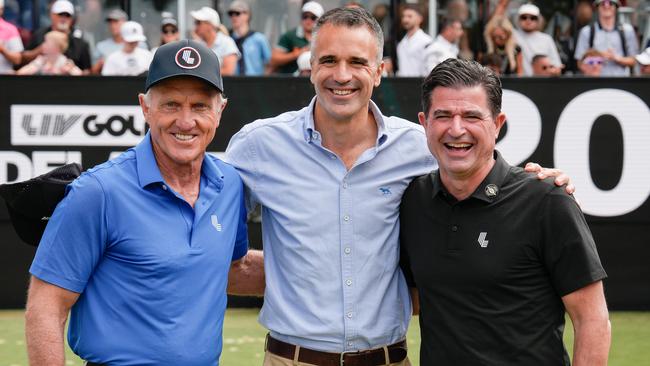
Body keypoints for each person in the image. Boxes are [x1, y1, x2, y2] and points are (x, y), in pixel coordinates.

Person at [226, 7, 571, 366]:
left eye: (357, 62)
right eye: (328, 60)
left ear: (379, 72)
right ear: (311, 66)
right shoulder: (258, 145)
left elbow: (488, 178)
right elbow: (205, 226)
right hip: (290, 359)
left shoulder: (418, 147)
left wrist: (540, 181)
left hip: (388, 358)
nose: (341, 75)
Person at [24, 39, 264, 365]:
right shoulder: (98, 192)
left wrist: (328, 274)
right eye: (170, 105)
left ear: (220, 111)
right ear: (145, 107)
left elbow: (232, 268)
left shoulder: (230, 185)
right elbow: (46, 304)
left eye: (200, 106)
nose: (185, 120)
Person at [400, 58, 611, 365]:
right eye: (443, 115)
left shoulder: (546, 201)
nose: (456, 129)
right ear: (424, 122)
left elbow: (592, 320)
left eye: (472, 116)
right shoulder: (413, 201)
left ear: (497, 125)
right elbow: (416, 300)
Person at [21, 0, 91, 72]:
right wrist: (38, 51)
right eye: (60, 14)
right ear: (52, 15)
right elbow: (22, 59)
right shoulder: (40, 35)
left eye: (67, 15)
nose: (63, 18)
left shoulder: (80, 41)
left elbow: (86, 70)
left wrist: (73, 71)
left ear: (72, 18)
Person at [574, 0, 639, 76]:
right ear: (597, 7)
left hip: (621, 81)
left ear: (616, 7)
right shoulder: (586, 32)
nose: (606, 6)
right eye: (602, 3)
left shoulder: (627, 30)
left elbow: (634, 61)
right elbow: (579, 63)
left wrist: (616, 58)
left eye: (610, 3)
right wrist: (597, 57)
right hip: (595, 82)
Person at [269, 1, 323, 74]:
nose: (308, 20)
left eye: (313, 17)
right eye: (305, 16)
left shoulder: (325, 38)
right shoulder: (289, 36)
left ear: (320, 20)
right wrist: (295, 54)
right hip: (290, 81)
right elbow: (273, 60)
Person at [513, 3, 563, 76]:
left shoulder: (546, 39)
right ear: (518, 19)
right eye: (524, 17)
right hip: (521, 82)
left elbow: (556, 65)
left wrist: (555, 71)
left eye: (533, 18)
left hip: (542, 82)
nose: (528, 20)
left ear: (539, 20)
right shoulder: (513, 36)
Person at [191, 6, 240, 76]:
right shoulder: (197, 44)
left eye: (198, 22)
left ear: (210, 25)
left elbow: (228, 71)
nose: (196, 26)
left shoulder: (227, 42)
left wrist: (201, 73)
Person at [228, 0, 271, 76]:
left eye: (237, 13)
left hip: (254, 83)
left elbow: (269, 64)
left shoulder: (259, 39)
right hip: (232, 82)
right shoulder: (227, 39)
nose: (233, 17)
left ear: (247, 15)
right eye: (231, 14)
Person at [16, 30, 82, 75]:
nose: (43, 44)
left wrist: (67, 71)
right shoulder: (42, 60)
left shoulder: (65, 62)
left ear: (56, 47)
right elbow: (27, 70)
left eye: (47, 42)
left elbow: (79, 74)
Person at [395, 5, 432, 77]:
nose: (405, 20)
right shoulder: (401, 44)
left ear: (420, 19)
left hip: (420, 85)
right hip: (403, 85)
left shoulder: (426, 41)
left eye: (409, 16)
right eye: (403, 16)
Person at [0, 0, 23, 74]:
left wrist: (2, 50)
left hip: (4, 78)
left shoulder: (10, 29)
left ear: (1, 10)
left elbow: (17, 60)